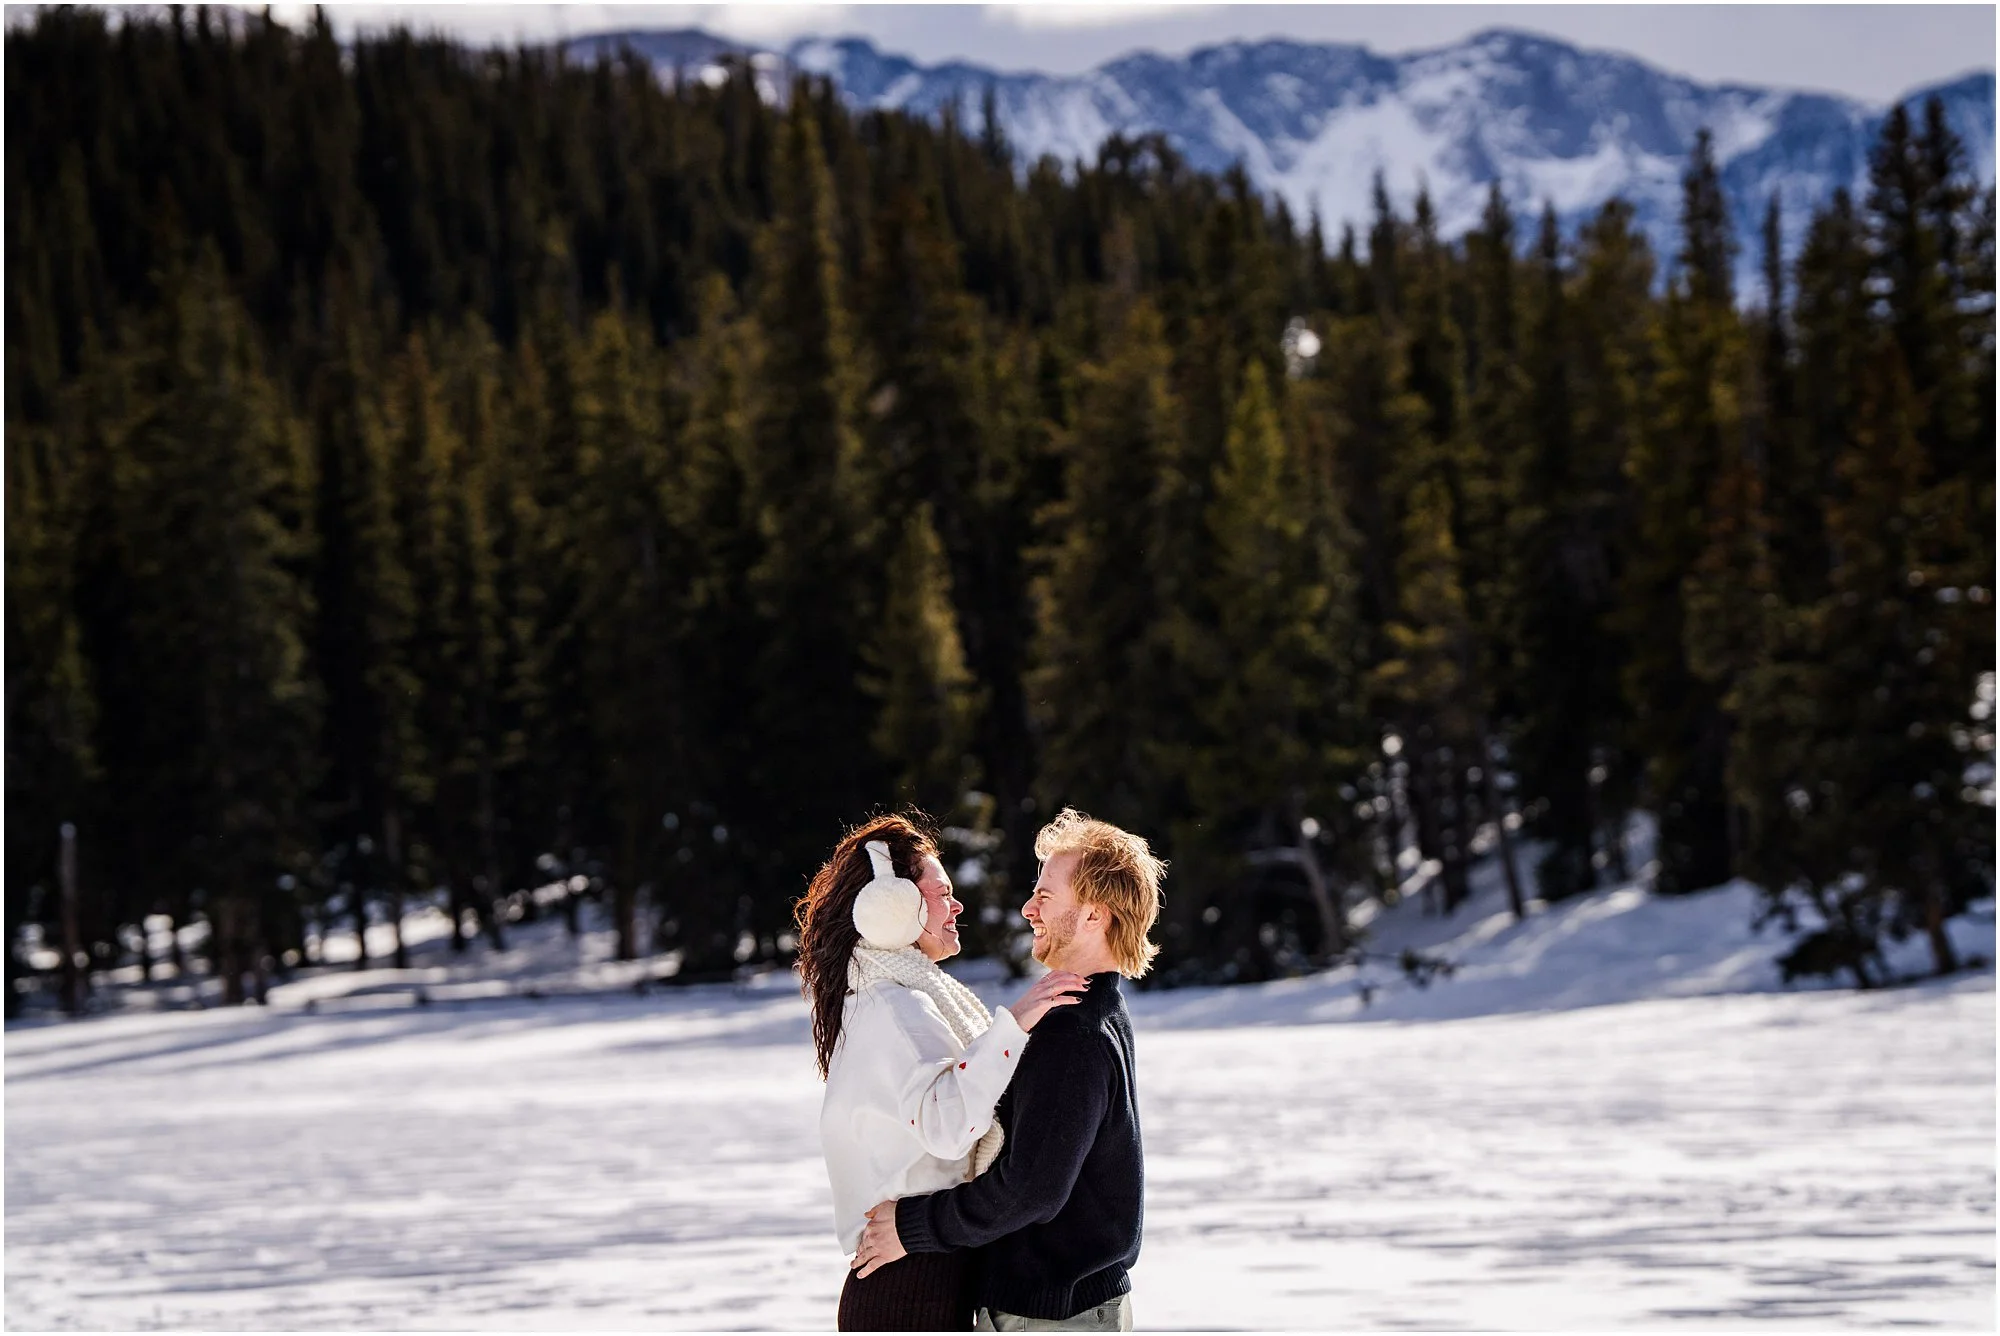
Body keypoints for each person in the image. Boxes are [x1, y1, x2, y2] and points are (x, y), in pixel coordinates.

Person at [852, 808, 1165, 1333]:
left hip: (1054, 1314)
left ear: (1094, 914)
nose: (1028, 909)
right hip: (1067, 1306)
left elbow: (1030, 1189)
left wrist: (910, 1228)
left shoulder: (1074, 1033)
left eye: (1045, 896)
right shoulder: (1093, 1009)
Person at [797, 811, 1088, 1331]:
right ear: (894, 906)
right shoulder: (896, 1008)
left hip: (917, 1274)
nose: (956, 906)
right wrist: (1014, 1026)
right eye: (941, 893)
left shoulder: (883, 996)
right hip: (912, 1284)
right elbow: (950, 1128)